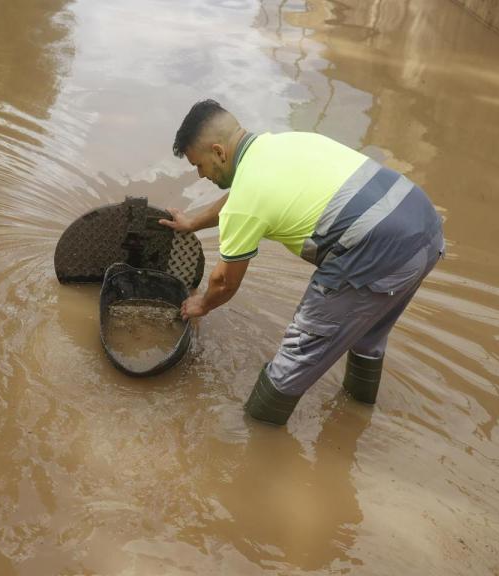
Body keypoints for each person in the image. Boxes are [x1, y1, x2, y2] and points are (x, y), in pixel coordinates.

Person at [159, 99, 444, 426]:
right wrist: (193, 222)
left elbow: (225, 283)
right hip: (425, 229)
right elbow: (243, 195)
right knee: (367, 338)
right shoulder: (287, 143)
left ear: (219, 152)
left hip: (375, 249)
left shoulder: (246, 197)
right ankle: (355, 422)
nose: (200, 175)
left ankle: (255, 439)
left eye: (199, 165)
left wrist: (202, 305)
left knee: (294, 358)